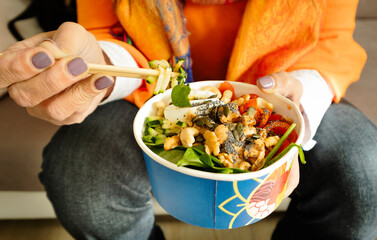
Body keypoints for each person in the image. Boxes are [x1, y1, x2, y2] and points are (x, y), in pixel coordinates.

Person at [1, 0, 376, 239]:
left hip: (278, 93)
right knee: (79, 174)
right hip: (150, 94)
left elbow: (333, 39)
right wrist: (99, 69)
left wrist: (299, 105)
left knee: (366, 177)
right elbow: (104, 35)